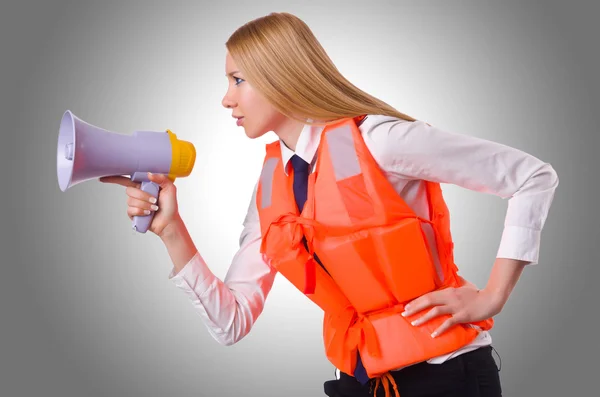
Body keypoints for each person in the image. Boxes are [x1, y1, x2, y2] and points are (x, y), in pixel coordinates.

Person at [100, 12, 558, 397]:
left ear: (283, 74)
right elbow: (232, 322)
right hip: (357, 382)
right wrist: (172, 231)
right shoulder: (270, 186)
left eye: (239, 79)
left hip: (443, 376)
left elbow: (533, 177)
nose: (226, 98)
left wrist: (491, 297)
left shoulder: (380, 141)